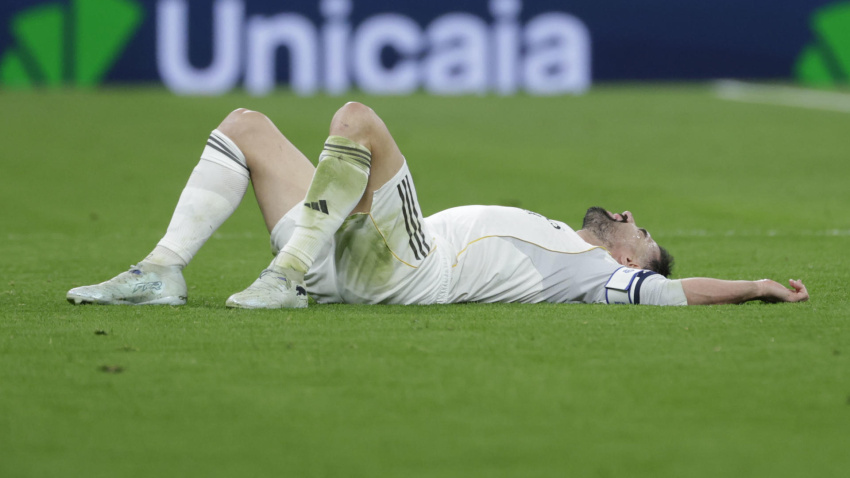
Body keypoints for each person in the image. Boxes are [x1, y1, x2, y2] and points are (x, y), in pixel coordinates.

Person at [66, 103, 809, 308]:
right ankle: (162, 271)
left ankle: (284, 277)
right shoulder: (567, 241)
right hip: (351, 258)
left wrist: (756, 285)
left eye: (641, 233)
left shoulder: (598, 276)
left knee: (357, 121)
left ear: (628, 260)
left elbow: (678, 292)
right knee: (245, 128)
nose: (628, 217)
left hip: (403, 271)